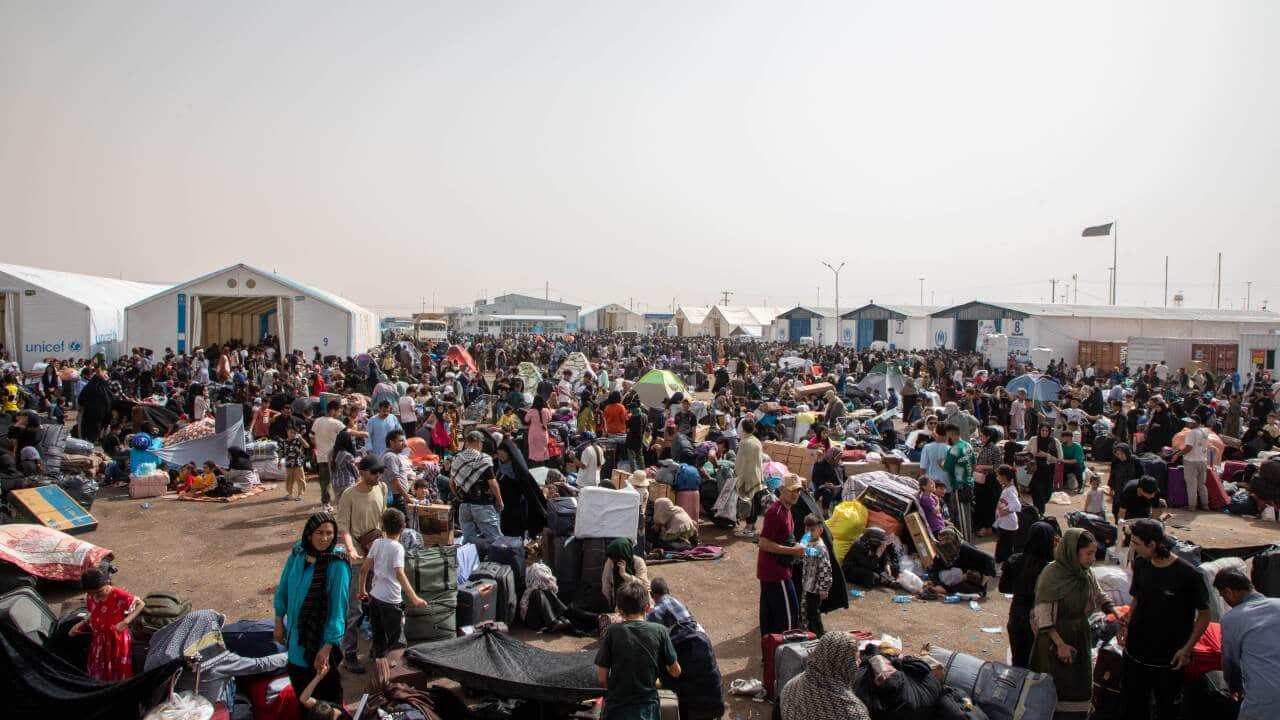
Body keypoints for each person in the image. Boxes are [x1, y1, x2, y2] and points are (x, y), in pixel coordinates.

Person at [1121, 519, 1211, 720]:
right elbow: (1137, 597)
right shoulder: (1141, 564)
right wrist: (1127, 621)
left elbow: (1205, 615)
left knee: (1166, 709)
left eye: (1136, 543)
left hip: (1168, 659)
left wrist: (1187, 649)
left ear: (1152, 544)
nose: (1132, 547)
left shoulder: (1189, 575)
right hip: (1135, 653)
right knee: (1133, 706)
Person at [1029, 528, 1115, 717]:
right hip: (1055, 639)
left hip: (1079, 635)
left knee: (1079, 684)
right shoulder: (1051, 575)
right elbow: (1043, 615)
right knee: (1056, 687)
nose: (1092, 558)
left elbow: (1098, 594)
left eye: (1094, 553)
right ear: (1072, 551)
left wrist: (1115, 612)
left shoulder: (1085, 572)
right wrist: (1060, 645)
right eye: (1088, 553)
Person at [273, 513, 351, 703]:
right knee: (302, 697)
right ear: (309, 534)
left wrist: (326, 648)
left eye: (330, 533)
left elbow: (338, 610)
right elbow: (284, 587)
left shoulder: (337, 564)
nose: (325, 539)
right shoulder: (299, 553)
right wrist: (278, 621)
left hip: (321, 645)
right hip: (295, 642)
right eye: (319, 533)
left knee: (326, 702)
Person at [594, 580, 681, 720]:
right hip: (648, 710)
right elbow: (676, 672)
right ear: (647, 608)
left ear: (620, 611)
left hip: (616, 710)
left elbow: (602, 678)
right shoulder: (660, 631)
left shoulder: (612, 631)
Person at [336, 456, 386, 673]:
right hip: (358, 558)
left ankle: (378, 648)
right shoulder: (349, 495)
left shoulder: (381, 488)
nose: (378, 476)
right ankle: (349, 654)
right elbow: (344, 527)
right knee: (355, 609)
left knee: (379, 603)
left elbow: (382, 519)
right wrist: (351, 549)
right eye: (374, 473)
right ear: (362, 472)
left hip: (378, 553)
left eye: (379, 472)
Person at [357, 509, 428, 660]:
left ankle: (379, 666)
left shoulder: (376, 543)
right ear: (403, 526)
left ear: (382, 527)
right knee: (397, 641)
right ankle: (395, 673)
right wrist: (415, 598)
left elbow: (364, 569)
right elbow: (400, 574)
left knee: (378, 635)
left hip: (374, 597)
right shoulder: (398, 548)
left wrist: (362, 590)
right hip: (391, 600)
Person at [1214, 567, 1280, 720]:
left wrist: (1234, 687)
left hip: (1265, 700)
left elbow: (1230, 663)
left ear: (1229, 592)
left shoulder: (1232, 619)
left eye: (1223, 596)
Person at [998, 521, 1056, 668]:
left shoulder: (1014, 560)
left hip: (1016, 614)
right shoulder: (1050, 568)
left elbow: (1003, 587)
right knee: (1036, 663)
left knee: (1018, 660)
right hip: (1038, 619)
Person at [70, 568, 144, 681]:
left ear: (107, 582)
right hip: (99, 640)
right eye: (92, 592)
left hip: (116, 640)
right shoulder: (91, 595)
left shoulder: (119, 595)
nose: (96, 595)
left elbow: (140, 604)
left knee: (117, 671)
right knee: (98, 669)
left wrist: (125, 622)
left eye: (99, 592)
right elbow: (94, 613)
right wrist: (82, 623)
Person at [777, 631, 871, 720]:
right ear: (844, 664)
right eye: (856, 658)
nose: (859, 661)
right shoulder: (852, 712)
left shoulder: (790, 686)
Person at [757, 475, 806, 637]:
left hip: (774, 571)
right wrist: (793, 551)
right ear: (782, 490)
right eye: (792, 490)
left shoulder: (786, 510)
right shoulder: (775, 513)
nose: (795, 494)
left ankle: (771, 658)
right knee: (789, 620)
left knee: (770, 619)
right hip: (776, 572)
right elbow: (763, 543)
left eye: (798, 490)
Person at [450, 431, 504, 553]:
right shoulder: (484, 459)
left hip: (464, 506)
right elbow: (492, 482)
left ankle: (470, 564)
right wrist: (499, 499)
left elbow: (451, 483)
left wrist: (457, 496)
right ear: (479, 443)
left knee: (469, 540)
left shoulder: (457, 458)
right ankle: (494, 567)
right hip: (482, 505)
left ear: (467, 442)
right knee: (494, 539)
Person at [926, 526, 997, 596]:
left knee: (961, 586)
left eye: (945, 539)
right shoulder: (948, 548)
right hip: (961, 572)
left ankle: (977, 589)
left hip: (974, 575)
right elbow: (938, 564)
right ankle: (942, 587)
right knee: (932, 571)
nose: (943, 542)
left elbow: (989, 559)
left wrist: (983, 583)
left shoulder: (964, 547)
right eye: (941, 540)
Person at [798, 514, 832, 635]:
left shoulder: (820, 548)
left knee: (813, 612)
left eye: (812, 530)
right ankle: (807, 632)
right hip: (807, 584)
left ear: (820, 530)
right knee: (804, 610)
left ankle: (818, 634)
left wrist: (824, 588)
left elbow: (825, 569)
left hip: (816, 588)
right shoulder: (806, 540)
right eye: (807, 529)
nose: (809, 532)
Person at [942, 423, 976, 541]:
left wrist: (940, 464)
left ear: (951, 434)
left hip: (959, 486)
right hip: (969, 484)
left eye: (947, 435)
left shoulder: (954, 450)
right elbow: (974, 463)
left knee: (961, 517)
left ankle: (966, 542)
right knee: (967, 514)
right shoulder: (968, 445)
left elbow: (946, 467)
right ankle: (968, 539)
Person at [734, 417, 766, 539]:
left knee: (748, 503)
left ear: (742, 428)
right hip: (757, 474)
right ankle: (752, 526)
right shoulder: (757, 441)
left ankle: (748, 528)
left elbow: (739, 462)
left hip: (747, 476)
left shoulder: (744, 443)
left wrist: (736, 473)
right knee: (755, 502)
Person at [312, 402, 345, 511]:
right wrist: (362, 434)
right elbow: (347, 433)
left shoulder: (317, 421)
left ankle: (326, 503)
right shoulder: (336, 423)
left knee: (325, 482)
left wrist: (317, 447)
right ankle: (340, 503)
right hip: (334, 456)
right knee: (339, 480)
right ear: (332, 410)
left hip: (321, 456)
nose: (339, 413)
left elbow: (312, 436)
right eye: (339, 410)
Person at [1175, 416, 1210, 511]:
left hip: (1191, 461)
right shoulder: (1205, 432)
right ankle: (1205, 505)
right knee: (1201, 484)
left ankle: (1192, 506)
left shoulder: (1192, 433)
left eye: (1189, 422)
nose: (1187, 424)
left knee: (1192, 485)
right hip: (1202, 461)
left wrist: (1177, 455)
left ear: (1194, 423)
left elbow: (1188, 447)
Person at [602, 537, 651, 606]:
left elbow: (644, 586)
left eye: (619, 558)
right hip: (619, 606)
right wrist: (609, 604)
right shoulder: (611, 561)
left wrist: (624, 575)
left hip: (638, 604)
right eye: (614, 559)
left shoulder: (638, 562)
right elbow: (606, 583)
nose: (616, 561)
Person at [1025, 423, 1061, 515]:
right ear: (1039, 431)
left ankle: (1039, 509)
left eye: (1046, 431)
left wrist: (1046, 455)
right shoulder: (1034, 439)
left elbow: (1059, 458)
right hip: (1034, 470)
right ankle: (1039, 512)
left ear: (1049, 432)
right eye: (1042, 430)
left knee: (1047, 493)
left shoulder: (1054, 441)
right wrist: (1032, 454)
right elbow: (1026, 450)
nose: (1044, 432)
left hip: (1048, 470)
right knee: (1036, 492)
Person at [992, 464, 1021, 563]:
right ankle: (1000, 562)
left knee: (1005, 546)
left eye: (998, 475)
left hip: (1008, 523)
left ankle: (1005, 564)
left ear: (1003, 477)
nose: (997, 478)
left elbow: (1017, 506)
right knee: (1003, 544)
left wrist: (1006, 510)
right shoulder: (1008, 489)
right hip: (1005, 522)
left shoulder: (1010, 490)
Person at [380, 429, 413, 515]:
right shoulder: (391, 457)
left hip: (397, 497)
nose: (404, 444)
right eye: (401, 441)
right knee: (403, 524)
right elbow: (395, 481)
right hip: (396, 498)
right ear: (392, 442)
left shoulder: (390, 455)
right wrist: (405, 496)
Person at [282, 423, 309, 502]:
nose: (292, 434)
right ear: (287, 432)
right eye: (291, 432)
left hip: (298, 463)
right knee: (289, 479)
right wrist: (279, 461)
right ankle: (290, 494)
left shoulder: (298, 441)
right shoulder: (284, 442)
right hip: (288, 464)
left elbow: (307, 446)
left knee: (300, 479)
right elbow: (281, 451)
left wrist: (301, 438)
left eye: (294, 433)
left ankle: (300, 494)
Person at [524, 395, 553, 466]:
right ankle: (543, 469)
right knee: (543, 453)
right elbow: (550, 418)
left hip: (533, 435)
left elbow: (526, 420)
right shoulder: (546, 410)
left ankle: (535, 471)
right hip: (543, 434)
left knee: (534, 454)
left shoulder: (531, 411)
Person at [1059, 429, 1085, 494]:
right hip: (1067, 464)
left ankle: (1081, 486)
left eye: (1063, 437)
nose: (1061, 439)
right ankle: (1063, 484)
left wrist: (1064, 461)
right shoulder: (1062, 446)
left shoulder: (1077, 446)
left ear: (1069, 437)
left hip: (1077, 465)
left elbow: (1076, 460)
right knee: (1060, 466)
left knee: (1076, 465)